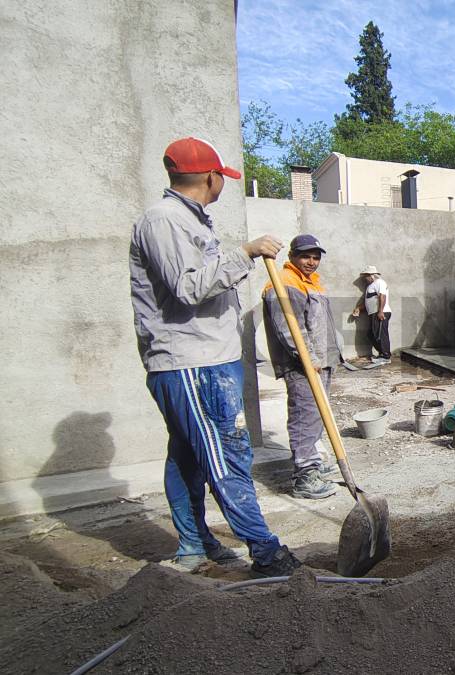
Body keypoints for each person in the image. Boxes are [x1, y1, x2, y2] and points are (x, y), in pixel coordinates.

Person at [129, 136, 301, 577]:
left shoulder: (191, 221)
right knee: (225, 452)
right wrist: (244, 252)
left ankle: (193, 546)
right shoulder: (164, 220)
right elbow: (188, 289)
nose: (222, 183)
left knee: (187, 454)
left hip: (204, 357)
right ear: (210, 177)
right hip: (191, 361)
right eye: (222, 178)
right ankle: (265, 552)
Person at [262, 234, 340, 499]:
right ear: (292, 257)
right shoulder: (284, 282)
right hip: (302, 366)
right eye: (306, 256)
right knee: (305, 418)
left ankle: (314, 464)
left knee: (318, 415)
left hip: (321, 362)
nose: (311, 261)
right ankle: (304, 477)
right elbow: (288, 327)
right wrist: (309, 359)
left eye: (316, 257)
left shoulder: (311, 282)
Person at [350, 265, 391, 362]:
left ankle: (386, 356)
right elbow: (369, 301)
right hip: (374, 313)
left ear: (371, 275)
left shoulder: (379, 282)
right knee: (371, 334)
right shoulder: (370, 286)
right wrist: (359, 308)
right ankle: (382, 353)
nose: (365, 279)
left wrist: (381, 311)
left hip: (381, 312)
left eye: (366, 276)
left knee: (381, 334)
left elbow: (382, 296)